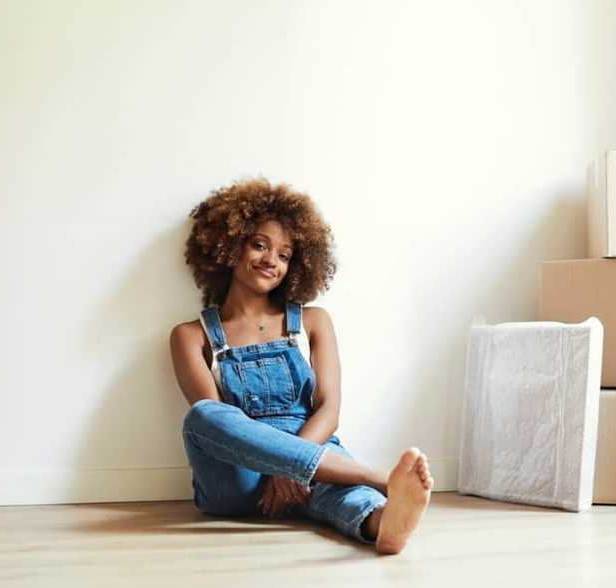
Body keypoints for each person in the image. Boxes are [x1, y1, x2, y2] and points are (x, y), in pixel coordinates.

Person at [169, 178, 433, 554]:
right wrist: (287, 466)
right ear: (228, 245)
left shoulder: (313, 321)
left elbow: (329, 409)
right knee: (201, 417)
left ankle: (384, 524)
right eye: (259, 244)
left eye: (284, 254)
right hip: (238, 479)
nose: (270, 260)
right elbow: (217, 426)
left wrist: (293, 469)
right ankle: (378, 477)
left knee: (345, 495)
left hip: (315, 454)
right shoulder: (190, 335)